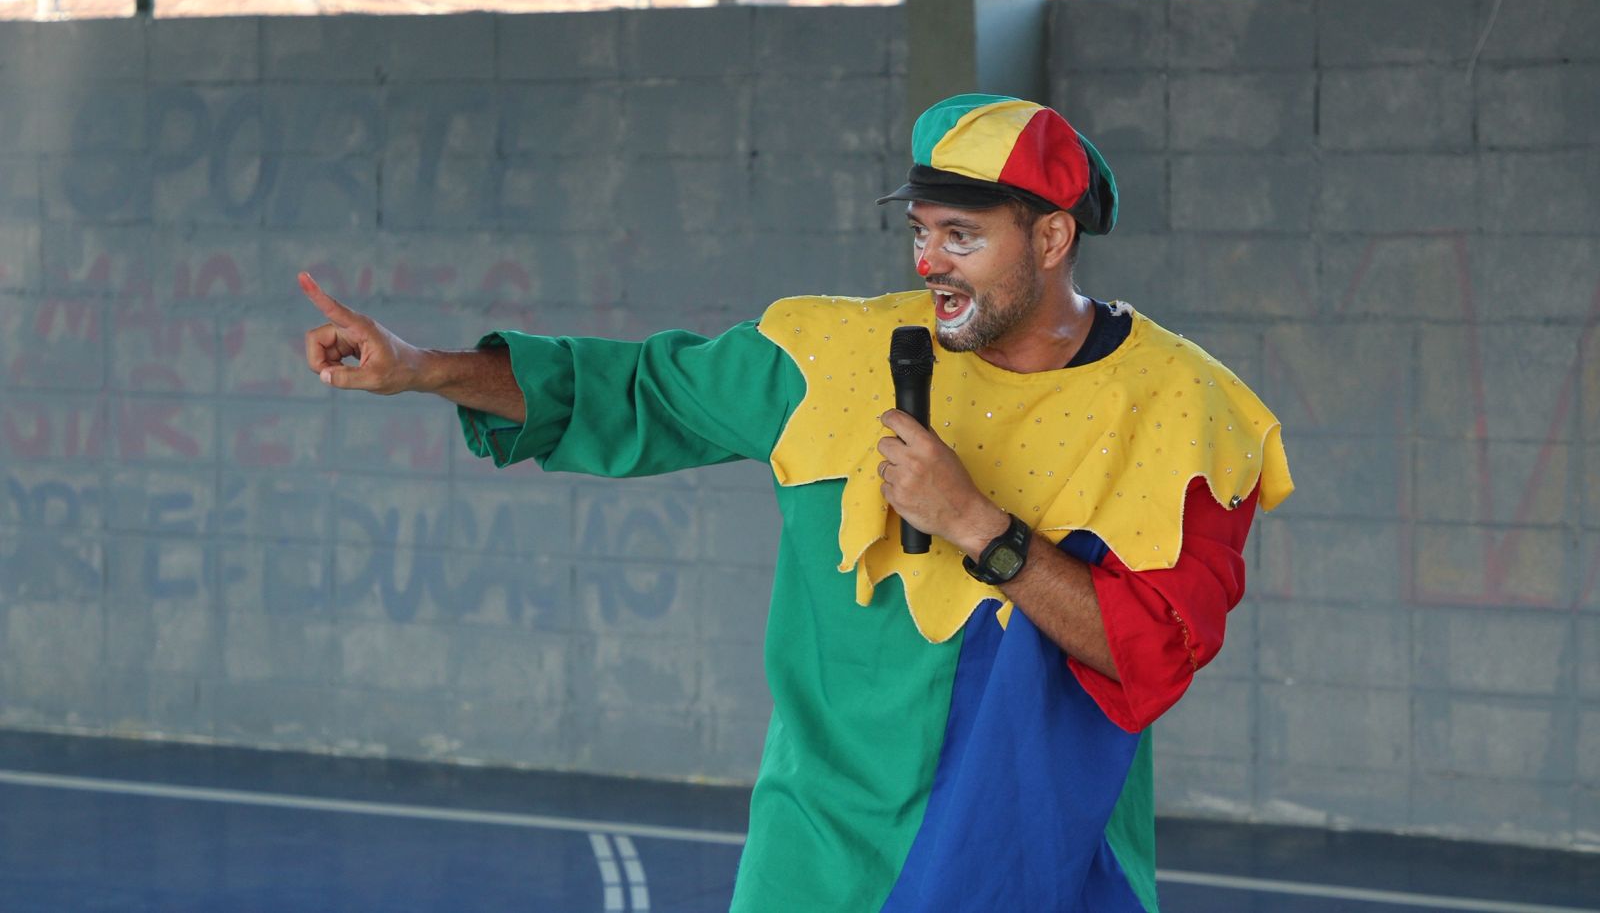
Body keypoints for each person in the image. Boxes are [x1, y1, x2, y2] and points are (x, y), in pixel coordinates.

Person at [299, 93, 1293, 912]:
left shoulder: (1189, 410)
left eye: (961, 235)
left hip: (1030, 863)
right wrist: (427, 368)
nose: (928, 264)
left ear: (1051, 236)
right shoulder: (831, 352)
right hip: (818, 860)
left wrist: (978, 528)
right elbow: (633, 390)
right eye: (920, 233)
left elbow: (1150, 651)